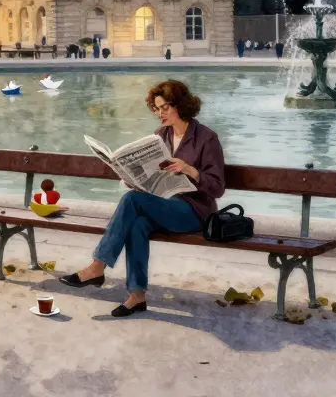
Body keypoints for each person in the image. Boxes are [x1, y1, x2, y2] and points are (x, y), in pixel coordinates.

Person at [59, 80, 225, 317]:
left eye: (165, 107)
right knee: (137, 223)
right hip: (162, 204)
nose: (160, 113)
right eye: (156, 109)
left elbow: (217, 188)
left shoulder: (206, 138)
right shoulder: (160, 136)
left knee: (132, 200)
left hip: (194, 211)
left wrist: (189, 169)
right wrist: (132, 178)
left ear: (180, 105)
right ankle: (137, 296)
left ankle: (98, 266)